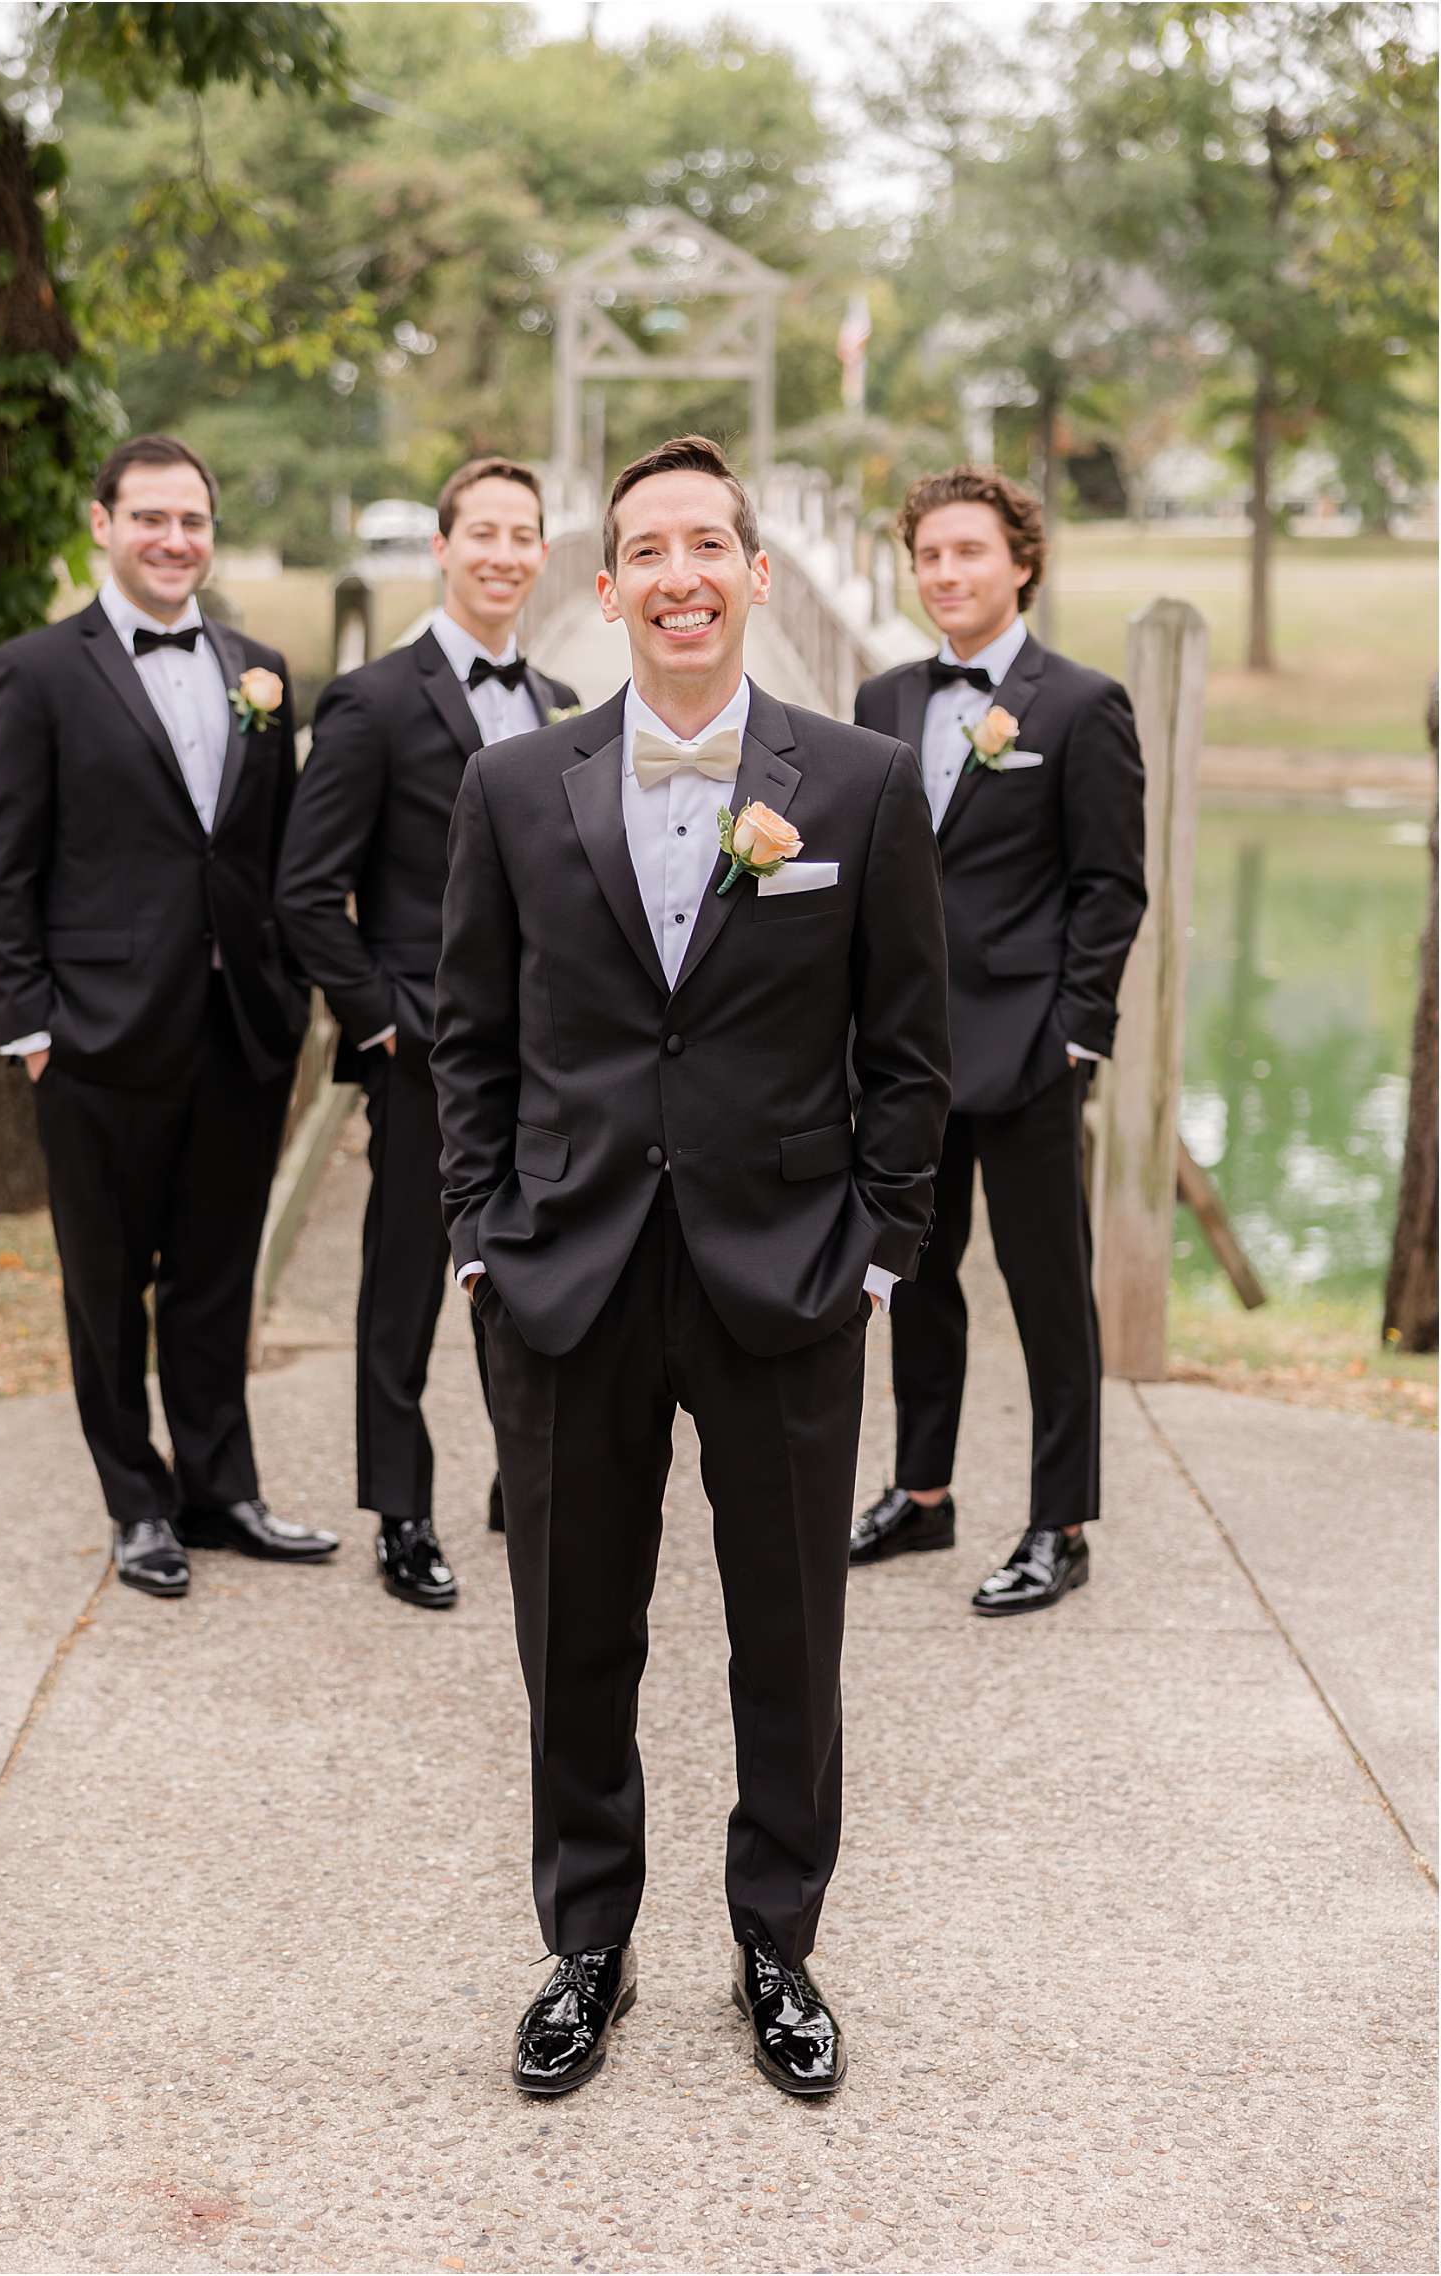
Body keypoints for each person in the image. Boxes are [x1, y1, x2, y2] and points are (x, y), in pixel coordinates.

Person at [432, 435, 950, 2098]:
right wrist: (478, 1243)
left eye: (706, 546)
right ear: (608, 586)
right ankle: (588, 1938)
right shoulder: (516, 786)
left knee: (787, 1632)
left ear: (755, 573)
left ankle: (778, 1940)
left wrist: (878, 1254)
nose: (678, 575)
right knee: (573, 1629)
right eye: (645, 549)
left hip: (788, 1275)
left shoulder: (861, 785)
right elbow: (471, 1040)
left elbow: (912, 1051)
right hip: (566, 1278)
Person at [0, 434, 336, 1600]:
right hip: (94, 1038)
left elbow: (266, 851)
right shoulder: (37, 670)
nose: (175, 540)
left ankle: (221, 1488)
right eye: (152, 519)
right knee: (106, 1280)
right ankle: (137, 1502)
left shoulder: (258, 664)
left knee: (217, 1273)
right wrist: (30, 1029)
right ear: (102, 525)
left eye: (193, 521)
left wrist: (285, 995)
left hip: (238, 1029)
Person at [277, 458, 578, 1613]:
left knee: (549, 1264)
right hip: (425, 1047)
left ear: (540, 555)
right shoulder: (372, 700)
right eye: (482, 532)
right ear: (443, 547)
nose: (503, 553)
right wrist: (388, 1027)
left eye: (523, 534)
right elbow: (306, 893)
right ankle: (400, 1509)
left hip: (554, 1049)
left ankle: (525, 1473)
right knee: (403, 1280)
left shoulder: (561, 699)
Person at [849, 465, 1147, 1616]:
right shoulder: (879, 699)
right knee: (913, 1279)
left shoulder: (1079, 704)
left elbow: (1108, 887)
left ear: (1019, 561)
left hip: (1027, 1049)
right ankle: (920, 1495)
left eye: (967, 551)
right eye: (927, 554)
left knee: (1046, 1290)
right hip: (905, 1053)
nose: (945, 573)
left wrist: (1075, 1034)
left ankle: (1058, 1521)